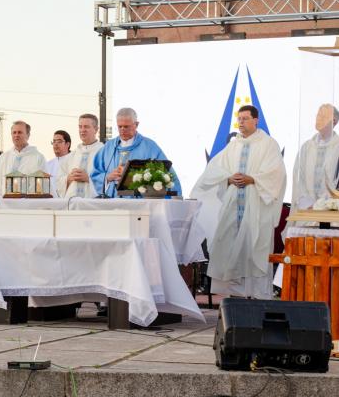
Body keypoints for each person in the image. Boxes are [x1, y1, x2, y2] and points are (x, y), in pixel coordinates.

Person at [192, 105, 286, 299]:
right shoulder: (233, 145)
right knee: (228, 244)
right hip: (233, 205)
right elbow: (213, 170)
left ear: (255, 120)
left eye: (245, 118)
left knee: (254, 247)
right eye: (239, 119)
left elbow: (277, 173)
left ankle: (256, 296)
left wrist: (253, 179)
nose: (241, 123)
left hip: (256, 205)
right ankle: (234, 296)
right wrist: (228, 178)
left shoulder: (268, 144)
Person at [91, 108, 181, 197]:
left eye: (126, 126)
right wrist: (108, 177)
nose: (122, 130)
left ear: (136, 124)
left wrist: (133, 176)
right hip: (112, 200)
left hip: (139, 200)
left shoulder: (149, 147)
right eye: (119, 126)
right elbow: (95, 174)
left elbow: (166, 175)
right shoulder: (108, 147)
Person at [292, 104, 339, 211]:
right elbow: (298, 177)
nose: (318, 118)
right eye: (318, 115)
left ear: (334, 122)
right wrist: (308, 203)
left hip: (332, 212)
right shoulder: (307, 147)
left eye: (323, 116)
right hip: (307, 209)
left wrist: (327, 204)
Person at [0, 121, 47, 205]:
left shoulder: (38, 158)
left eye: (20, 132)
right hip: (3, 208)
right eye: (14, 132)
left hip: (27, 208)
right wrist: (0, 204)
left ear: (28, 135)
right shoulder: (3, 158)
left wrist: (24, 203)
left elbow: (40, 186)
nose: (16, 135)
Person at [58, 114, 104, 198]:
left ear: (96, 129)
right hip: (72, 204)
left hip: (93, 204)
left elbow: (108, 178)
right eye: (80, 127)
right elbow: (58, 180)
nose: (82, 130)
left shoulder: (104, 153)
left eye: (86, 127)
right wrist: (68, 179)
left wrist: (88, 179)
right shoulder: (71, 156)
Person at [46, 130, 71, 197]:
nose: (56, 144)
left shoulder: (74, 162)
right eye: (54, 141)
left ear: (67, 144)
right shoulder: (48, 165)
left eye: (59, 141)